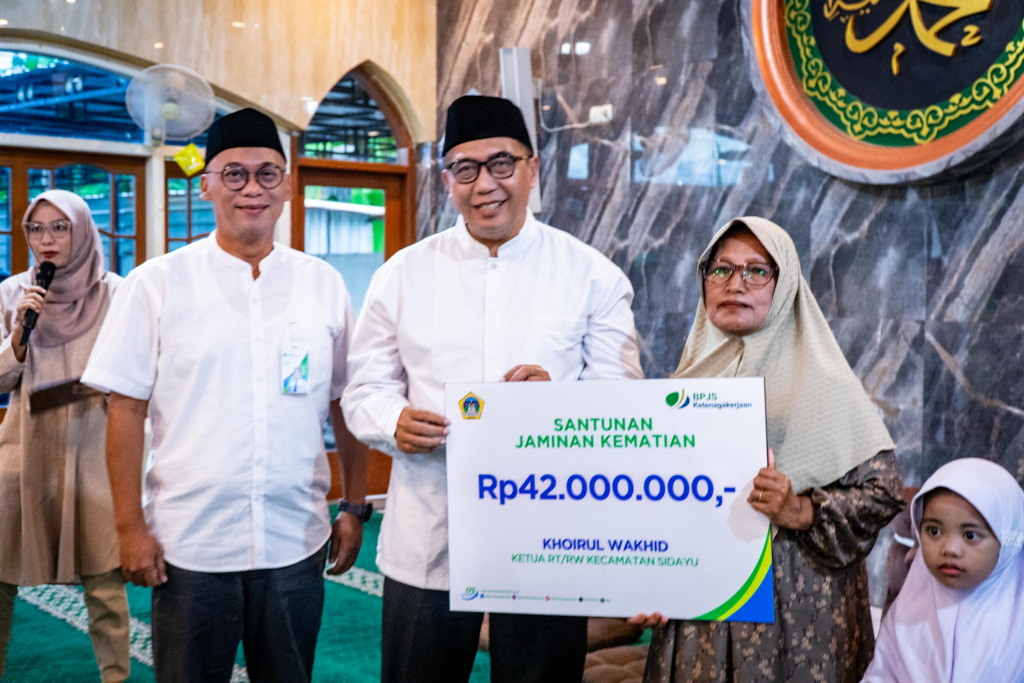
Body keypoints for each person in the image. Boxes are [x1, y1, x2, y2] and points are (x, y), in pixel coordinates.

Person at [342, 94, 644, 683]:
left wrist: (558, 406)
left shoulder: (590, 275)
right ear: (446, 178)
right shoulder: (402, 275)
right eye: (466, 168)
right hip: (428, 537)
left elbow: (621, 404)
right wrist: (393, 421)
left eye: (502, 163)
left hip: (547, 543)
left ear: (533, 169)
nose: (485, 184)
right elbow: (363, 390)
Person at [81, 108, 369, 683]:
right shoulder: (157, 283)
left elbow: (345, 400)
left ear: (288, 185)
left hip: (295, 539)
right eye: (234, 174)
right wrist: (129, 527)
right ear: (207, 184)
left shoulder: (322, 284)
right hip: (192, 545)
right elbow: (125, 409)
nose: (251, 189)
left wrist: (355, 505)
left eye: (267, 173)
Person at [631, 217, 904, 683]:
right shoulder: (687, 381)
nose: (735, 283)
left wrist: (799, 510)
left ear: (785, 284)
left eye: (757, 270)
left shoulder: (827, 385)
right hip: (702, 610)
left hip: (797, 611)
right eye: (721, 269)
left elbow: (883, 492)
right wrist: (649, 578)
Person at [0, 190, 129, 682]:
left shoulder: (116, 293)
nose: (46, 239)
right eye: (36, 229)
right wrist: (18, 333)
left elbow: (136, 374)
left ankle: (116, 676)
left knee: (104, 585)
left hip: (94, 448)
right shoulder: (13, 293)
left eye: (60, 227)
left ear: (82, 230)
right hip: (25, 448)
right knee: (0, 575)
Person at [862, 459, 1024, 683]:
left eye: (970, 535)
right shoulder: (909, 607)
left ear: (1008, 540)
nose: (949, 549)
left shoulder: (1017, 623)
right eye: (934, 531)